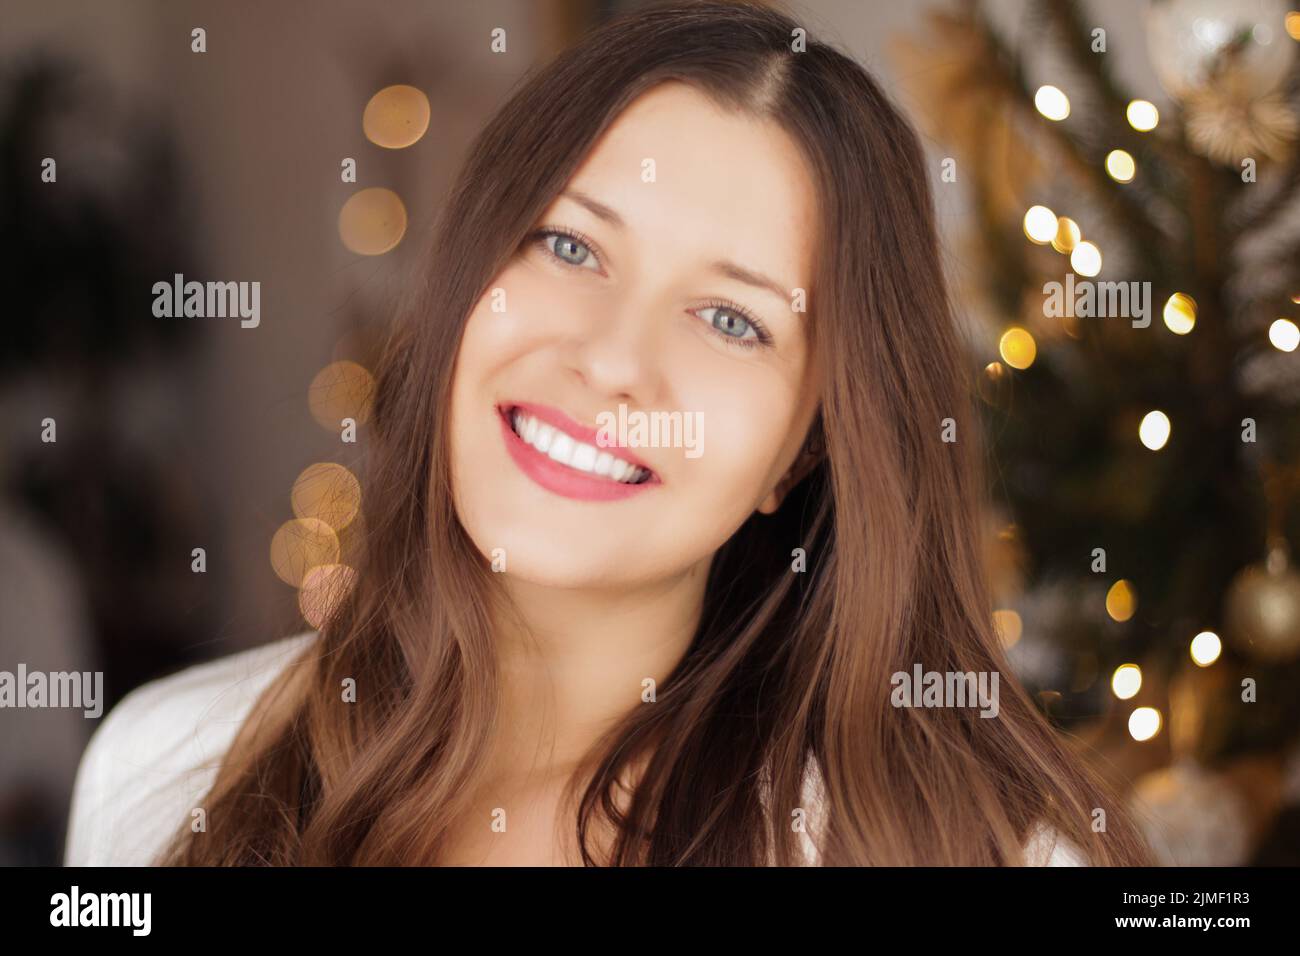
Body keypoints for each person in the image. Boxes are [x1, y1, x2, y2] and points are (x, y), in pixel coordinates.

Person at [65, 0, 1151, 867]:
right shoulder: (162, 766)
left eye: (732, 318)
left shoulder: (985, 851)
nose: (612, 359)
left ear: (806, 449)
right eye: (569, 247)